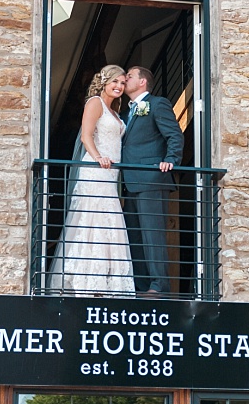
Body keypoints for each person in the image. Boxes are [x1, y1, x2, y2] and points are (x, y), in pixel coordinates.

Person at [48, 65, 135, 296]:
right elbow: (86, 135)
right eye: (115, 82)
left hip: (110, 175)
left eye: (122, 83)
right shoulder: (94, 103)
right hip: (95, 171)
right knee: (91, 222)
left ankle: (106, 284)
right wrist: (98, 158)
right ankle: (84, 281)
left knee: (110, 225)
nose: (119, 87)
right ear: (104, 82)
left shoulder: (116, 110)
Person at [120, 66, 184, 297]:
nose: (124, 80)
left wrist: (170, 160)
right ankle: (141, 285)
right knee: (135, 236)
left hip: (152, 179)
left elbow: (174, 134)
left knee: (152, 235)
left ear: (142, 82)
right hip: (130, 181)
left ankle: (159, 285)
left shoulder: (158, 104)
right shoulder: (125, 113)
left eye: (129, 76)